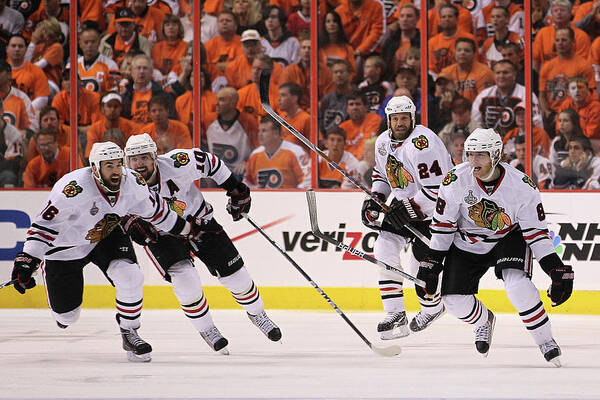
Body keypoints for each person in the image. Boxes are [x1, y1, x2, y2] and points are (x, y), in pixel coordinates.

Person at [11, 141, 204, 362]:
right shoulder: (71, 189)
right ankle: (62, 307)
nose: (115, 172)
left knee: (131, 276)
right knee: (67, 317)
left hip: (105, 234)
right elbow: (43, 226)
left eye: (118, 165)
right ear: (95, 168)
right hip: (66, 249)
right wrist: (26, 260)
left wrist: (188, 230)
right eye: (109, 166)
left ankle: (129, 332)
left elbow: (157, 212)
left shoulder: (132, 182)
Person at [416, 128, 573, 366]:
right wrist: (431, 264)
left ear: (496, 155)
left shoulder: (521, 186)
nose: (473, 161)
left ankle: (545, 341)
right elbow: (444, 226)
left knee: (517, 285)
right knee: (454, 302)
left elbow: (537, 234)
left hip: (506, 238)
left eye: (480, 155)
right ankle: (483, 322)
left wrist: (554, 268)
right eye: (470, 154)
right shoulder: (455, 180)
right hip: (466, 241)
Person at [124, 133, 282, 351]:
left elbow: (211, 163)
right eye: (134, 159)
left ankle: (258, 314)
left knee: (238, 277)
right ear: (127, 161)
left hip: (200, 222)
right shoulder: (124, 184)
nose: (139, 164)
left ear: (154, 157)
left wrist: (235, 189)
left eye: (144, 158)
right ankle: (207, 329)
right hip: (162, 236)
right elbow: (114, 210)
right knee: (187, 284)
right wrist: (130, 223)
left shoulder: (177, 163)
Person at [362, 95, 452, 339]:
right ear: (388, 120)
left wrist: (408, 208)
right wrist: (375, 200)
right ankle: (394, 313)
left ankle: (432, 308)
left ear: (413, 119)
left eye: (404, 118)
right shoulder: (382, 142)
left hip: (436, 211)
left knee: (419, 267)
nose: (399, 123)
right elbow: (381, 176)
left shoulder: (423, 143)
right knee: (383, 247)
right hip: (405, 204)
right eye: (395, 119)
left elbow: (437, 190)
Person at [206, 86, 258, 179]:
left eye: (221, 100)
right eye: (217, 99)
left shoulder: (249, 122)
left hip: (238, 172)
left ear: (233, 103)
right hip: (216, 170)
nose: (216, 103)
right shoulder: (207, 120)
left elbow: (258, 148)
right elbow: (201, 143)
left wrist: (248, 162)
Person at [244, 115, 310, 189]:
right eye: (259, 130)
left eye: (264, 131)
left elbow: (307, 181)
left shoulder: (296, 152)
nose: (259, 134)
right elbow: (247, 181)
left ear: (276, 133)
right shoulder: (255, 155)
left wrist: (294, 195)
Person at [86, 91, 141, 158]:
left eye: (116, 106)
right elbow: (90, 155)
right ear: (102, 108)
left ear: (121, 108)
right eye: (109, 106)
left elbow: (137, 152)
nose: (112, 109)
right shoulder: (94, 129)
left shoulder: (132, 127)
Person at [6, 34, 50, 111]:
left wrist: (24, 110)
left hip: (28, 115)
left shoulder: (36, 71)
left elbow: (43, 98)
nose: (17, 49)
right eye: (13, 46)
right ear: (7, 49)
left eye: (20, 46)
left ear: (26, 49)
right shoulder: (1, 70)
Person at [338, 91, 381, 160]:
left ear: (366, 107)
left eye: (358, 104)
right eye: (351, 104)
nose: (354, 107)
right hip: (346, 165)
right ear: (347, 109)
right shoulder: (342, 128)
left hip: (367, 163)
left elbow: (366, 147)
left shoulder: (374, 119)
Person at [78, 27, 120, 94]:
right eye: (86, 42)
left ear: (99, 42)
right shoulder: (72, 66)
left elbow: (113, 95)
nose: (89, 45)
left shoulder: (110, 66)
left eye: (93, 42)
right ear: (80, 43)